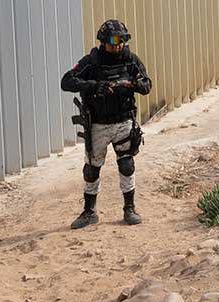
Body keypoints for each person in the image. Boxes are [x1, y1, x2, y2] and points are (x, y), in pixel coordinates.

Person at [60, 19, 152, 228]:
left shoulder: (131, 60)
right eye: (113, 41)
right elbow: (67, 81)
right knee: (92, 169)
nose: (118, 45)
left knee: (126, 164)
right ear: (103, 41)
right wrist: (95, 86)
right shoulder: (91, 62)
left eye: (122, 41)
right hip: (98, 125)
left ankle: (129, 209)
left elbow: (147, 84)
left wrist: (134, 84)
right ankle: (89, 212)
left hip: (123, 122)